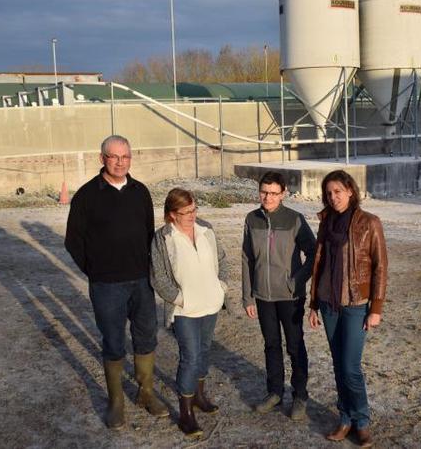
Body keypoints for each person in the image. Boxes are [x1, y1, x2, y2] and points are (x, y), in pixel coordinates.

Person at [65, 135, 167, 430]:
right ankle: (116, 401)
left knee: (147, 336)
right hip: (106, 285)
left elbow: (149, 234)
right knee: (113, 341)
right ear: (102, 159)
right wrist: (96, 271)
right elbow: (74, 242)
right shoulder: (86, 196)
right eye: (114, 157)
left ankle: (145, 393)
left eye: (125, 157)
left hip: (141, 282)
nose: (120, 162)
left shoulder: (141, 192)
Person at [308, 170, 388, 448]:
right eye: (329, 193)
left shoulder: (369, 223)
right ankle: (344, 419)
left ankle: (362, 422)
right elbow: (319, 264)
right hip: (329, 305)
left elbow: (380, 267)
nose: (333, 198)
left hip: (355, 305)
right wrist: (314, 304)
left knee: (351, 367)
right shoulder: (326, 222)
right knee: (338, 365)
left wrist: (375, 308)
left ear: (350, 191)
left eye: (338, 192)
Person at [150, 188, 227, 437]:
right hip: (184, 309)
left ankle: (199, 396)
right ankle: (186, 414)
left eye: (194, 209)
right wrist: (179, 298)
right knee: (190, 356)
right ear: (172, 214)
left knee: (204, 350)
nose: (192, 215)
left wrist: (221, 287)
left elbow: (222, 259)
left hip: (210, 303)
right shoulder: (162, 238)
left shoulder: (206, 229)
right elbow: (158, 276)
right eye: (186, 212)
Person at [242, 171, 316, 420]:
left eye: (274, 193)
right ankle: (274, 392)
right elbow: (246, 259)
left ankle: (300, 395)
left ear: (283, 193)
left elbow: (314, 254)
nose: (268, 197)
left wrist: (297, 281)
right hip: (263, 296)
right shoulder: (251, 219)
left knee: (295, 345)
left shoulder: (295, 219)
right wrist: (248, 296)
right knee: (271, 345)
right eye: (264, 192)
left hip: (290, 296)